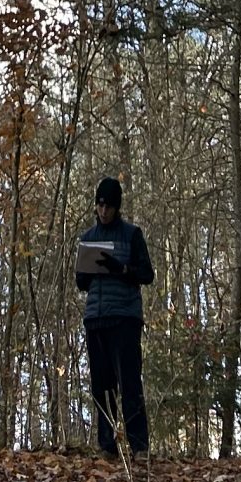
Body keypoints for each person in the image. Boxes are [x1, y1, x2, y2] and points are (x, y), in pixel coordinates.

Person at [74, 177, 155, 457]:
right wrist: (89, 270)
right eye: (99, 205)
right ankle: (107, 446)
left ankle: (139, 446)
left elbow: (147, 274)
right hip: (95, 319)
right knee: (101, 386)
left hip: (124, 317)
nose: (103, 211)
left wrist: (120, 269)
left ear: (117, 207)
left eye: (108, 206)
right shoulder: (87, 238)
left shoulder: (132, 235)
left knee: (130, 382)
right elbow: (81, 283)